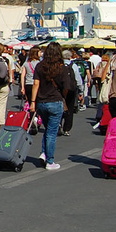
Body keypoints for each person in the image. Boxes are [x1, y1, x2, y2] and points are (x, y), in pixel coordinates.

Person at [30, 42, 71, 170]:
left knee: (48, 130)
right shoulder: (62, 67)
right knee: (52, 133)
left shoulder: (40, 66)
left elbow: (35, 84)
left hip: (42, 102)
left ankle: (44, 153)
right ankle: (50, 160)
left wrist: (32, 102)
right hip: (55, 101)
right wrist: (62, 96)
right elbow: (67, 87)